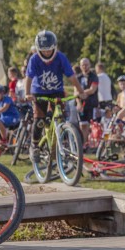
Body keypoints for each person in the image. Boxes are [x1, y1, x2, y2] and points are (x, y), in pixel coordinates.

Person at [24, 31, 84, 163]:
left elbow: (71, 76)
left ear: (55, 47)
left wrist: (80, 91)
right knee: (39, 119)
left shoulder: (61, 57)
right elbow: (28, 77)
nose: (46, 53)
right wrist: (27, 93)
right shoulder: (34, 59)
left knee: (60, 116)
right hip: (39, 92)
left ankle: (61, 141)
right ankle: (34, 145)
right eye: (43, 50)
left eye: (49, 50)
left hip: (57, 91)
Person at [76, 57, 99, 147]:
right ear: (80, 66)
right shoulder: (78, 78)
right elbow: (75, 91)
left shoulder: (94, 77)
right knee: (82, 125)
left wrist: (81, 92)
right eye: (83, 65)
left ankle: (92, 144)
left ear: (89, 65)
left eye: (86, 64)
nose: (85, 66)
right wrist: (79, 102)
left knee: (92, 125)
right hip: (81, 105)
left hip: (91, 104)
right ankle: (83, 144)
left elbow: (92, 90)